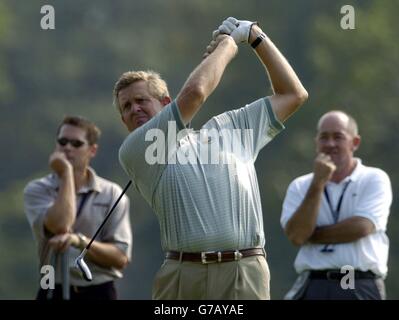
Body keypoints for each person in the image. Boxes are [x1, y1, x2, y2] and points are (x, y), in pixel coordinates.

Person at [114, 17, 308, 299]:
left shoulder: (228, 128)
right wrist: (229, 44)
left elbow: (293, 94)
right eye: (126, 107)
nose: (134, 109)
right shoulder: (137, 150)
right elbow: (195, 93)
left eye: (141, 100)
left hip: (244, 269)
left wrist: (255, 37)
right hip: (183, 274)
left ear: (166, 103)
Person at [281, 111, 392, 300]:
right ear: (317, 142)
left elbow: (361, 227)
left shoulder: (374, 178)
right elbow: (298, 235)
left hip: (356, 281)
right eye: (324, 137)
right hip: (313, 282)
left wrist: (312, 236)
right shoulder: (301, 186)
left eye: (338, 137)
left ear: (354, 143)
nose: (330, 144)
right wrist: (317, 184)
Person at [24, 116, 132, 300]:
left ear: (92, 150)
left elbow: (120, 257)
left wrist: (79, 241)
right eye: (63, 141)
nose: (67, 147)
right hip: (51, 286)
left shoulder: (112, 193)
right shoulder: (38, 189)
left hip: (98, 289)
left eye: (76, 143)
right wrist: (66, 173)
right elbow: (60, 224)